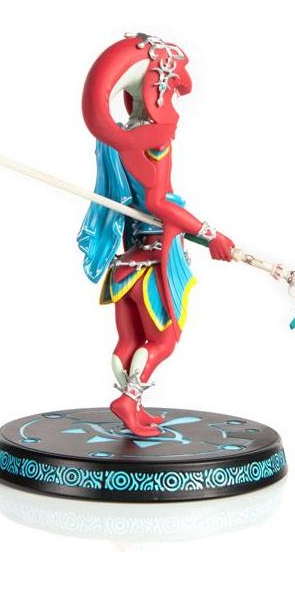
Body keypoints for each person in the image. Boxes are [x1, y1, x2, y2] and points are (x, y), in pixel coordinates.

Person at [78, 34, 235, 436]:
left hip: (125, 268)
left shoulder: (115, 144)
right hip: (152, 265)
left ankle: (134, 405)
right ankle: (128, 401)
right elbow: (159, 202)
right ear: (158, 88)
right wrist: (210, 234)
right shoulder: (154, 141)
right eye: (174, 90)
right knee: (163, 343)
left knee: (129, 342)